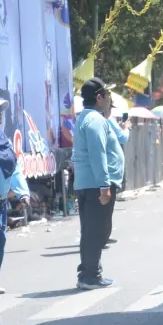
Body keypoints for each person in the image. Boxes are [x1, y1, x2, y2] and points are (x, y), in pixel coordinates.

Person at [71, 78, 117, 290]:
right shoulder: (96, 122)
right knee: (97, 231)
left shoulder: (84, 118)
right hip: (94, 184)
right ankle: (90, 275)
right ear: (99, 98)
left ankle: (89, 273)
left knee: (90, 230)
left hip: (85, 183)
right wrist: (104, 186)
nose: (109, 100)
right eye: (107, 95)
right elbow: (98, 156)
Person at [0, 98, 29, 295]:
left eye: (1, 112)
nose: (0, 116)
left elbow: (15, 167)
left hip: (2, 203)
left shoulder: (4, 140)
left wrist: (22, 192)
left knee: (0, 241)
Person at [103, 114, 129, 247]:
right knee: (106, 207)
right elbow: (123, 137)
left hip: (110, 171)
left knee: (107, 206)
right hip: (109, 172)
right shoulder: (107, 120)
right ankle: (102, 236)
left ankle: (103, 235)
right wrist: (126, 128)